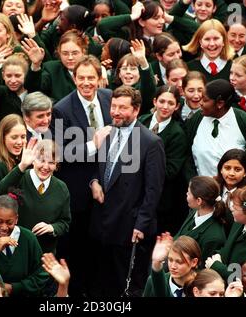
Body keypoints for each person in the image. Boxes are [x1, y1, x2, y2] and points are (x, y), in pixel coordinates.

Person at [89, 85, 165, 296]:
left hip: (129, 228)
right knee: (104, 282)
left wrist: (141, 225)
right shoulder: (108, 133)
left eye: (122, 108)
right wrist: (94, 182)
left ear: (136, 110)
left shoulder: (151, 142)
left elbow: (153, 190)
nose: (115, 112)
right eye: (113, 106)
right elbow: (100, 169)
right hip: (103, 225)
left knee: (127, 286)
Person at [49, 55, 112, 296]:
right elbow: (59, 152)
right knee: (78, 246)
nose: (86, 83)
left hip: (108, 184)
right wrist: (91, 145)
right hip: (77, 193)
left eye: (91, 78)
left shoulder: (109, 98)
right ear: (73, 78)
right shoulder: (61, 109)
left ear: (99, 78)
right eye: (81, 78)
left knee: (102, 244)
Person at [0, 139, 71, 254]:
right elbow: (0, 190)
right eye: (41, 160)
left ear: (56, 165)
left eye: (51, 162)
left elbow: (65, 222)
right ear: (33, 161)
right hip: (16, 249)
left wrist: (52, 228)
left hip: (44, 253)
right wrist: (22, 165)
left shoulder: (61, 188)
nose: (45, 167)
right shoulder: (20, 178)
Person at [0, 195, 49, 296]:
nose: (4, 227)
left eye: (9, 222)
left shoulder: (28, 237)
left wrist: (15, 288)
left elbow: (42, 274)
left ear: (16, 219)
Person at [138, 84, 188, 233]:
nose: (165, 106)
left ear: (177, 106)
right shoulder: (142, 121)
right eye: (162, 101)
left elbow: (170, 171)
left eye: (171, 103)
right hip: (135, 193)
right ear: (154, 102)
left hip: (160, 199)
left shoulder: (177, 134)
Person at [185, 79, 246, 179]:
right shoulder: (196, 119)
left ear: (220, 103)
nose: (200, 103)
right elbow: (187, 156)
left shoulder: (245, 122)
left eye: (205, 100)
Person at [176, 176, 227, 265]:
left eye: (189, 193)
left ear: (199, 201)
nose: (186, 194)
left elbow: (202, 269)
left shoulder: (213, 237)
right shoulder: (194, 211)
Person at [0, 114, 26, 188]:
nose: (19, 142)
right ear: (3, 137)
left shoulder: (24, 157)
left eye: (23, 137)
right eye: (14, 137)